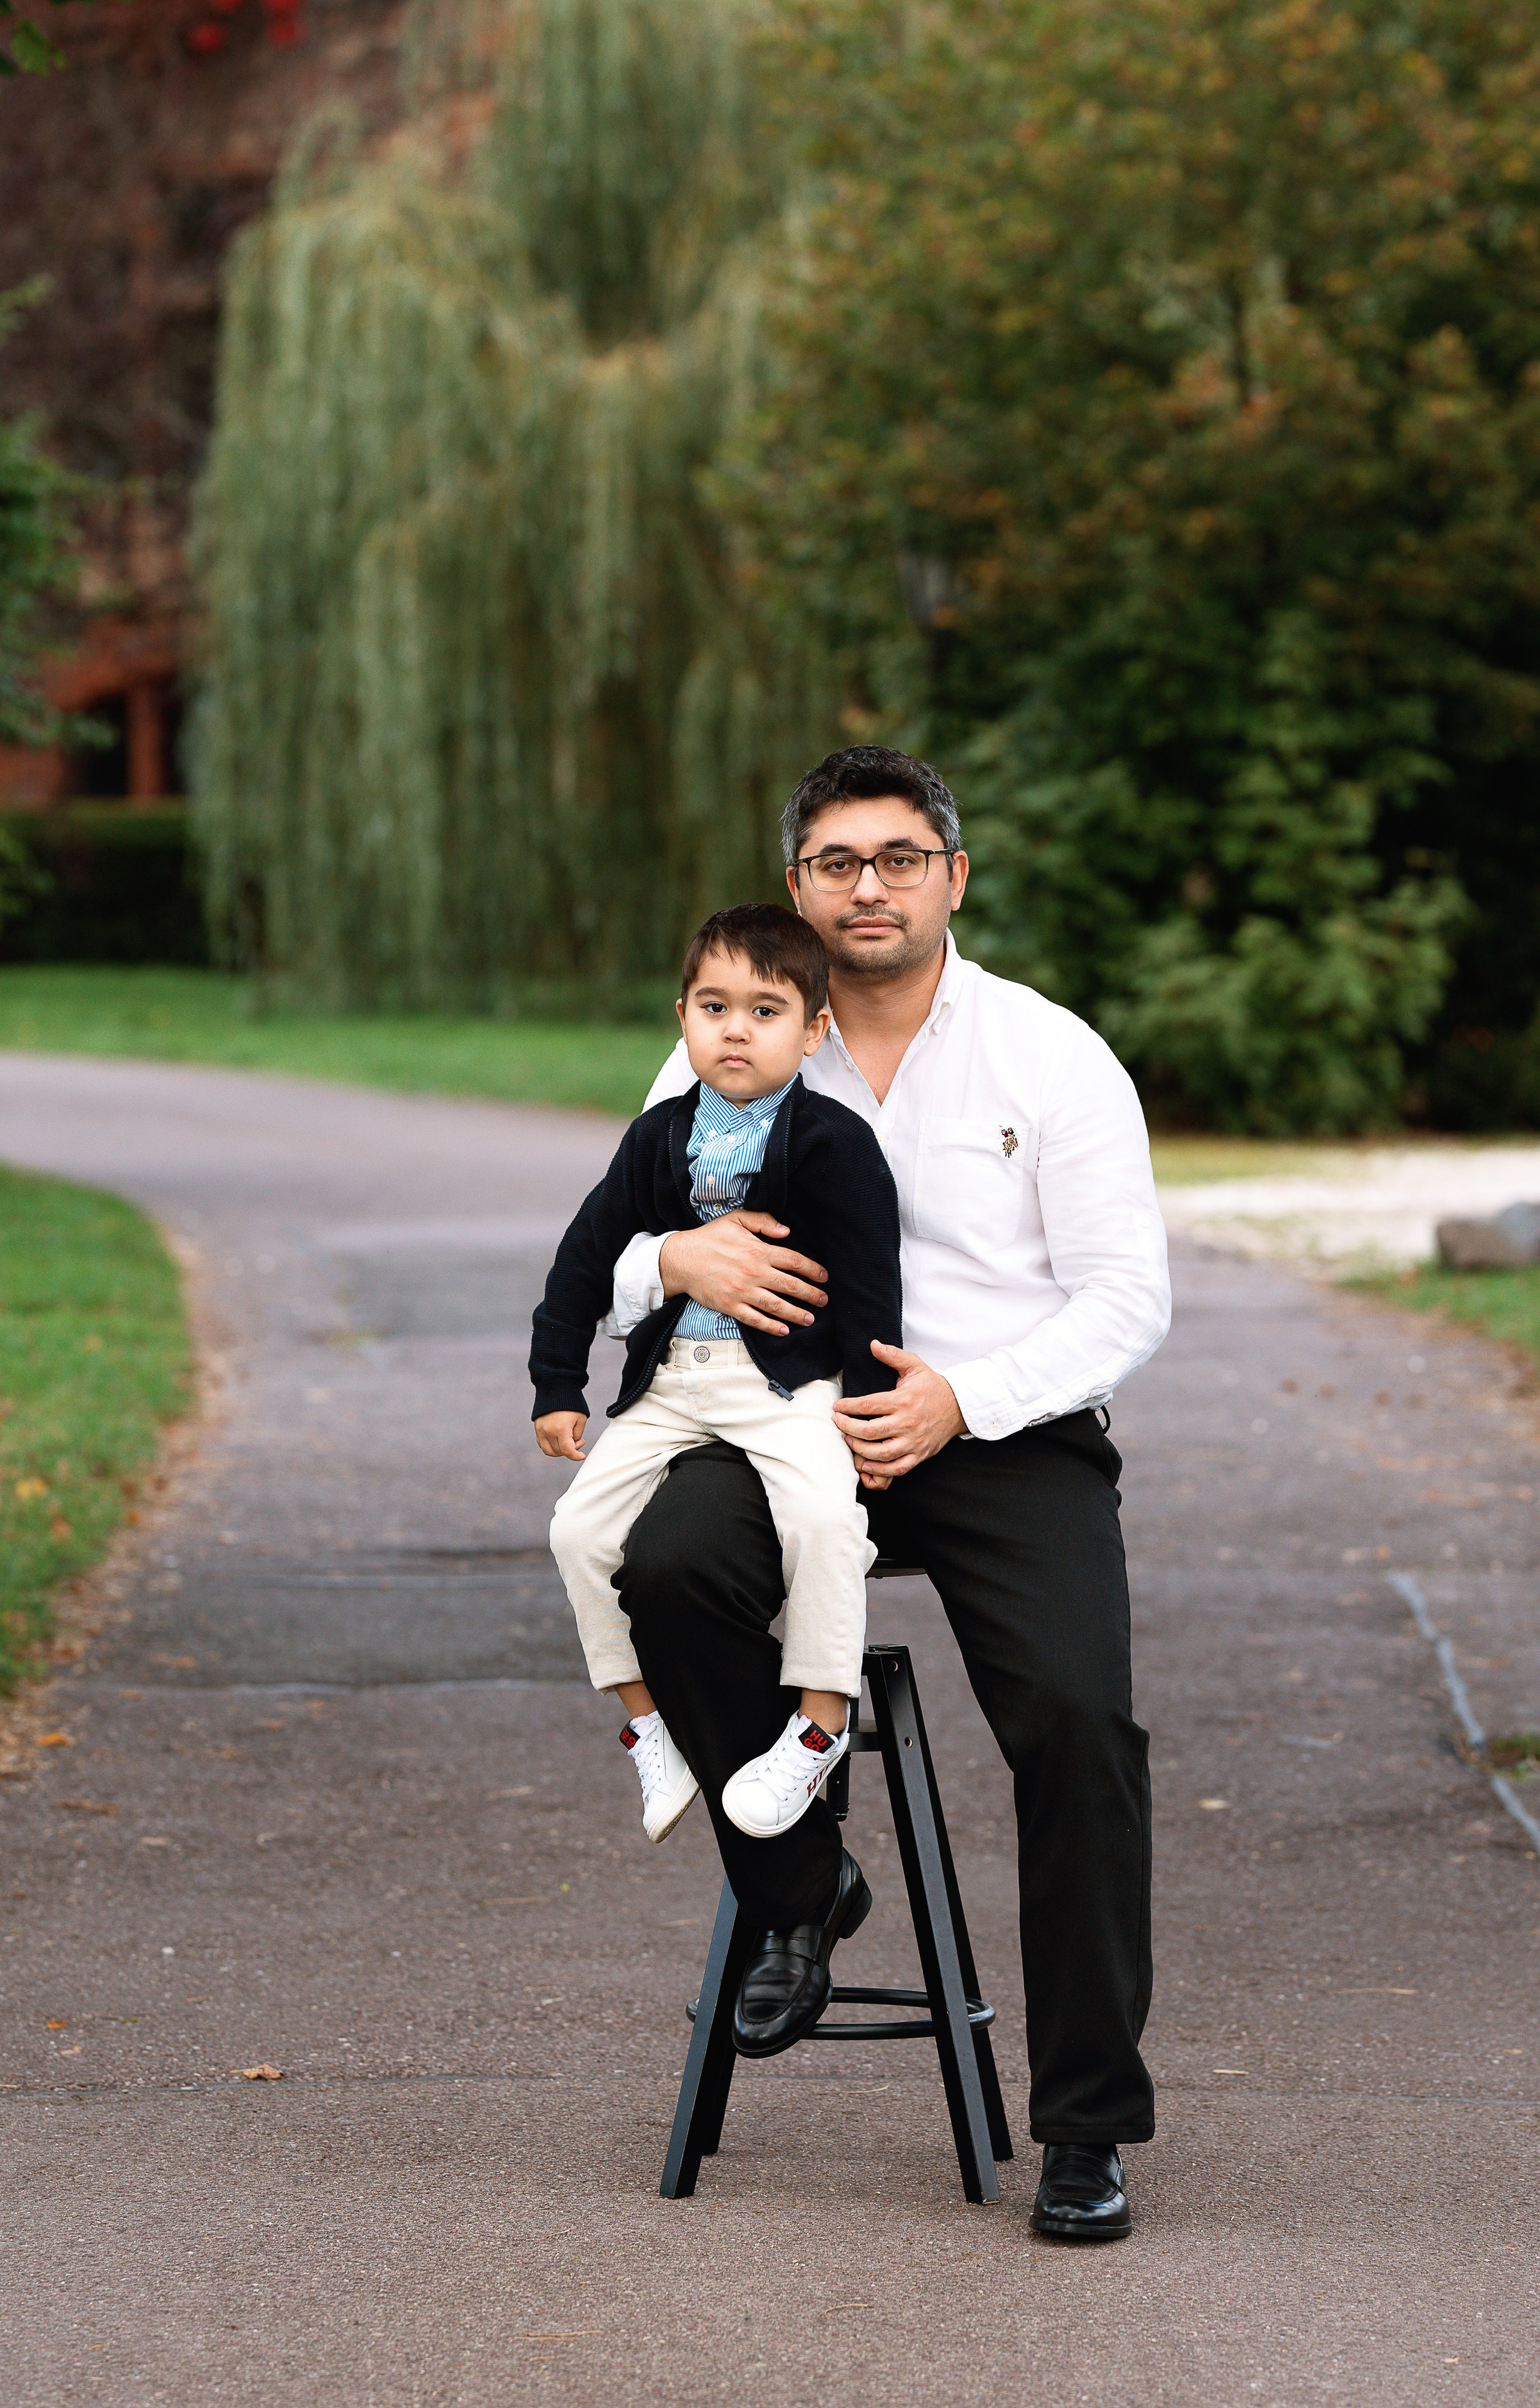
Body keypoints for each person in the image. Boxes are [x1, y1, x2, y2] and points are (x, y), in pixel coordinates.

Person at [606, 746, 1171, 2241]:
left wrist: (959, 1399)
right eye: (836, 862)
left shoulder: (1050, 1056)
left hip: (1000, 1429)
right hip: (788, 1421)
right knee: (662, 1564)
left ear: (951, 878)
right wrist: (671, 1260)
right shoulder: (730, 1042)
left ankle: (1085, 2131)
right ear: (795, 888)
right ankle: (802, 1885)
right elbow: (610, 1246)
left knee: (1073, 1715)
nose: (868, 885)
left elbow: (1126, 1300)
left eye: (898, 857)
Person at [531, 903, 904, 1859]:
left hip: (785, 1389)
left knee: (826, 1523)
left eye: (766, 1009)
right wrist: (558, 1383)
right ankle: (647, 1724)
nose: (736, 1028)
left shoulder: (833, 1145)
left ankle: (817, 1723)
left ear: (814, 1030)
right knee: (578, 1531)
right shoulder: (657, 1137)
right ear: (683, 1016)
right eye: (714, 1005)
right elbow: (584, 1258)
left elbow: (869, 1291)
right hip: (673, 1383)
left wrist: (866, 1413)